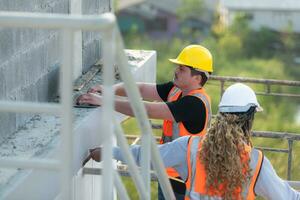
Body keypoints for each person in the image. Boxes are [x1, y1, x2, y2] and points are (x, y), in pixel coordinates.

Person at [83, 83, 300, 200]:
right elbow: (288, 197)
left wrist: (111, 151)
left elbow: (148, 156)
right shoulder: (256, 162)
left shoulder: (191, 147)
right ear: (250, 118)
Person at [78, 45, 213, 199]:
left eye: (182, 69)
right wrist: (110, 89)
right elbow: (141, 89)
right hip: (169, 176)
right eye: (178, 67)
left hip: (183, 184)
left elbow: (146, 110)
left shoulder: (194, 105)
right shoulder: (176, 90)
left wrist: (104, 100)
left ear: (197, 78)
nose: (176, 71)